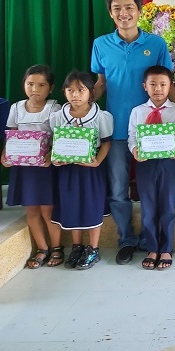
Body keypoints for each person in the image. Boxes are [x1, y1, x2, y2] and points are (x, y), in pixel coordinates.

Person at [91, 0, 175, 266]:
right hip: (115, 130)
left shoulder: (157, 44)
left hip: (152, 133)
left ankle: (153, 242)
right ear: (110, 13)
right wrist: (81, 104)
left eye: (129, 7)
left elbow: (167, 84)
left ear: (140, 11)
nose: (123, 13)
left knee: (153, 191)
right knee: (118, 190)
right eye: (117, 8)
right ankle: (126, 240)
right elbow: (100, 83)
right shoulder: (101, 44)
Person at [127, 66, 175, 270]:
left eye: (163, 84)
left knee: (167, 206)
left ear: (170, 86)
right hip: (145, 164)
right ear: (144, 86)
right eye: (153, 84)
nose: (158, 89)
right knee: (148, 208)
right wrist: (134, 149)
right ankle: (152, 248)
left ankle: (166, 249)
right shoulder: (137, 111)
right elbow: (132, 136)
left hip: (168, 163)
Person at [1, 65, 63, 268]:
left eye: (41, 85)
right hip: (24, 169)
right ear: (24, 85)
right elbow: (11, 133)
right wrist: (5, 154)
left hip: (45, 168)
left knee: (47, 210)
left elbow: (60, 137)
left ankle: (57, 247)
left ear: (51, 88)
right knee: (31, 210)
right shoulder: (16, 108)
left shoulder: (54, 109)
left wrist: (51, 153)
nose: (35, 89)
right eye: (30, 84)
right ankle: (42, 249)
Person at [50, 71, 113, 270]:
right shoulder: (57, 117)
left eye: (80, 90)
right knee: (71, 204)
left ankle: (93, 248)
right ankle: (77, 247)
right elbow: (55, 143)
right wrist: (55, 159)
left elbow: (106, 143)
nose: (75, 95)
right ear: (64, 92)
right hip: (67, 171)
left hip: (91, 171)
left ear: (91, 92)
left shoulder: (101, 116)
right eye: (70, 90)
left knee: (92, 205)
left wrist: (97, 162)